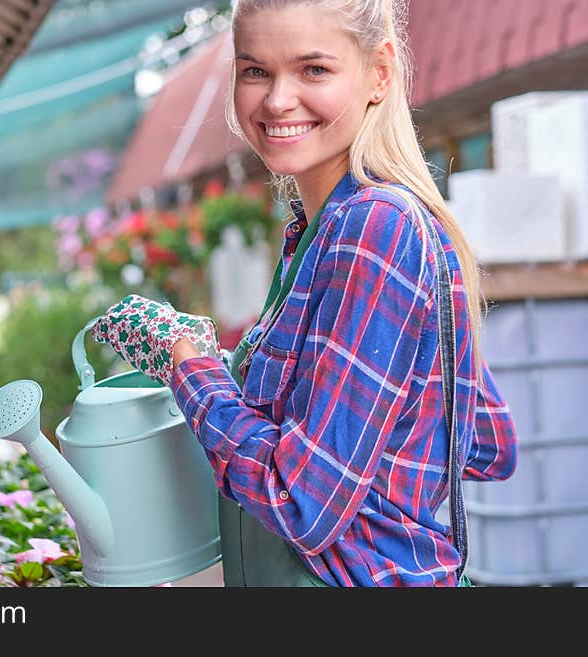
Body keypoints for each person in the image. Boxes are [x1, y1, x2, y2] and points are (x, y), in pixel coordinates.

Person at [96, 0, 517, 586]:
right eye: (255, 71)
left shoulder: (372, 229)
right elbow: (488, 440)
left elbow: (303, 503)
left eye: (313, 70)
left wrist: (186, 363)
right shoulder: (324, 229)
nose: (276, 100)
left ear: (380, 73)